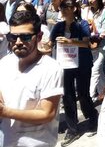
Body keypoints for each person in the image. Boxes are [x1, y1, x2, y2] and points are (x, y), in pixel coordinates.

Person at [0, 10, 63, 147]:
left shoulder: (51, 68)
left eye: (26, 37)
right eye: (13, 37)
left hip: (35, 143)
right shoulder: (5, 63)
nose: (18, 42)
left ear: (39, 36)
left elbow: (47, 113)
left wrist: (5, 112)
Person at [49, 0, 98, 146]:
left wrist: (69, 41)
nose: (63, 9)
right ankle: (72, 128)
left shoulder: (82, 24)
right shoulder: (58, 26)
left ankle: (92, 116)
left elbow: (86, 42)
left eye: (67, 7)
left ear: (74, 8)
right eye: (62, 6)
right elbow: (50, 44)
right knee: (68, 96)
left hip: (82, 63)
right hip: (65, 64)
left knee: (83, 94)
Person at [82, 0, 105, 102]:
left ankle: (89, 96)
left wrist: (93, 26)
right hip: (89, 44)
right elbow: (83, 26)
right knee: (99, 72)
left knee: (95, 69)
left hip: (103, 44)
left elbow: (104, 29)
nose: (90, 0)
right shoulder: (86, 10)